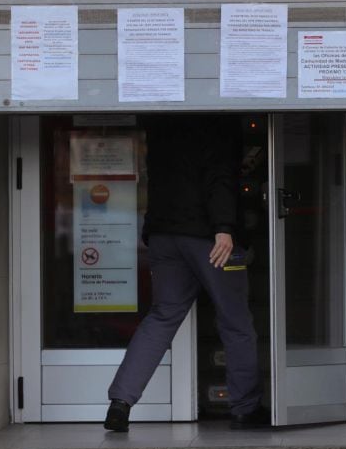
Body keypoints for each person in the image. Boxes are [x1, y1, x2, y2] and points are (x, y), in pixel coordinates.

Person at [104, 114, 268, 432]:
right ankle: (246, 408)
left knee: (163, 316)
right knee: (235, 321)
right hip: (210, 238)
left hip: (164, 234)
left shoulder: (161, 120)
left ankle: (120, 403)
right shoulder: (218, 121)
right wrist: (224, 227)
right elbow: (220, 174)